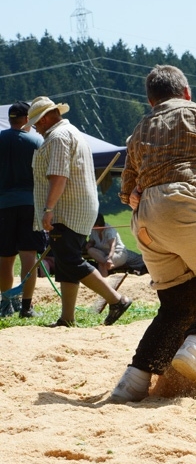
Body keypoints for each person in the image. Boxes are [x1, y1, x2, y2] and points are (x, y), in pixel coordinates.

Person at [109, 64, 196, 403]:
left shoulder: (139, 129)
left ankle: (134, 379)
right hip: (184, 206)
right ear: (186, 93)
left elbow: (126, 191)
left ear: (151, 101)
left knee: (177, 306)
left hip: (145, 221)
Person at [28, 96, 132, 327]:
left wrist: (48, 209)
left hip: (66, 210)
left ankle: (117, 300)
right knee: (66, 262)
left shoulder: (57, 137)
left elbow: (58, 176)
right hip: (76, 209)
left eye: (36, 124)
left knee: (70, 260)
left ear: (44, 119)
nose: (36, 129)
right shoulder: (71, 132)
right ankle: (67, 318)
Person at [0, 101, 46, 318]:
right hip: (29, 203)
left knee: (5, 257)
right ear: (27, 119)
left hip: (3, 205)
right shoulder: (36, 141)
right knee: (28, 255)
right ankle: (26, 306)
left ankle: (5, 303)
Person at [86, 213, 128, 277]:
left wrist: (109, 258)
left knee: (102, 264)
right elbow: (92, 241)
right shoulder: (93, 230)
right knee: (90, 250)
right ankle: (107, 263)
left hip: (117, 253)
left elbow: (112, 246)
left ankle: (103, 279)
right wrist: (89, 244)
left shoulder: (109, 231)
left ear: (97, 225)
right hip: (103, 253)